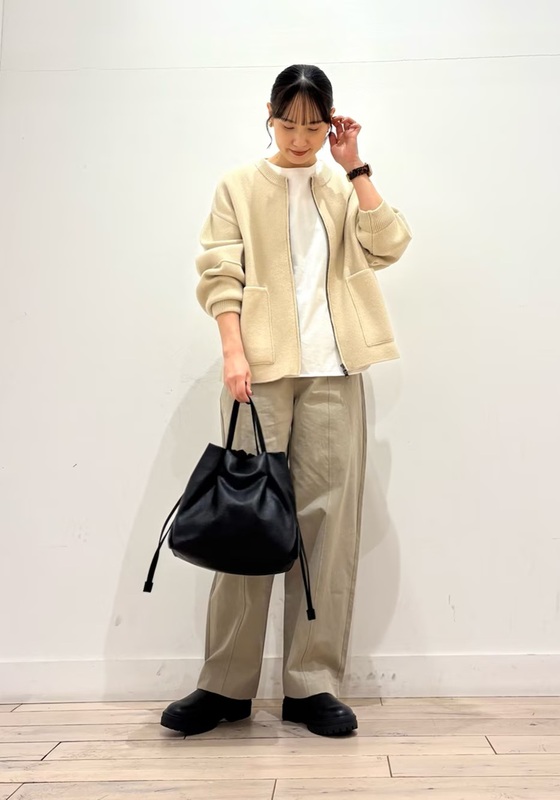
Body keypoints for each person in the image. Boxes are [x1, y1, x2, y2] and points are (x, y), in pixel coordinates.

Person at [161, 64, 412, 738]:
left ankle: (312, 684)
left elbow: (389, 245)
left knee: (327, 530)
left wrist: (355, 166)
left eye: (313, 125)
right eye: (287, 122)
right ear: (268, 116)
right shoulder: (238, 186)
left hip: (335, 373)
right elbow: (220, 271)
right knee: (245, 521)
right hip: (261, 374)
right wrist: (233, 350)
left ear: (330, 124)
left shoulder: (341, 186)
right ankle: (225, 684)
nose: (300, 137)